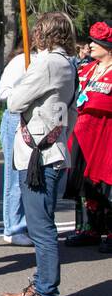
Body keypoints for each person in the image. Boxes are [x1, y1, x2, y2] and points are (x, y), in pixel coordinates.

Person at [3, 12, 79, 296]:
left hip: (40, 155)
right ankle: (40, 285)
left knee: (41, 228)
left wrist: (23, 80)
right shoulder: (64, 62)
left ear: (42, 33)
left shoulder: (47, 63)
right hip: (49, 149)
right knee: (41, 223)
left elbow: (13, 102)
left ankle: (47, 293)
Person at [63, 20, 112, 252]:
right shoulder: (86, 68)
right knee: (84, 183)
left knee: (107, 184)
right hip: (82, 136)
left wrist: (93, 102)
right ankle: (88, 229)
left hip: (106, 137)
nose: (90, 45)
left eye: (96, 42)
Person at [0, 47, 31, 245]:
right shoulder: (21, 61)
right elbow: (2, 93)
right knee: (15, 175)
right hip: (17, 117)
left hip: (39, 119)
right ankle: (13, 227)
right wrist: (26, 93)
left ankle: (28, 224)